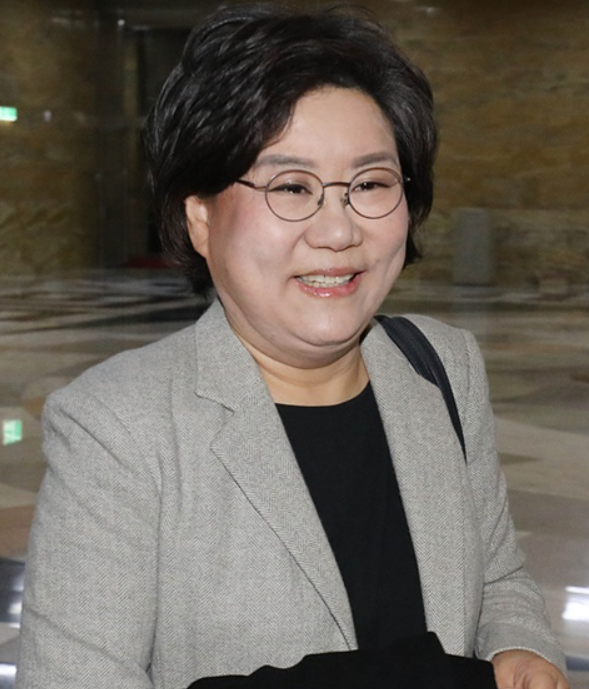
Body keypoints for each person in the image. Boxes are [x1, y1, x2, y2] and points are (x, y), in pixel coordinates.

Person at [16, 4, 568, 689]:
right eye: (291, 187)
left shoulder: (441, 366)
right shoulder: (118, 426)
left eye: (370, 184)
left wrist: (521, 646)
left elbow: (499, 575)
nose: (338, 231)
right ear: (200, 217)